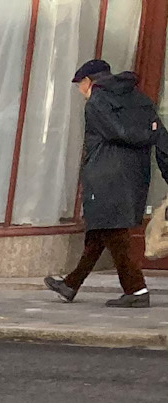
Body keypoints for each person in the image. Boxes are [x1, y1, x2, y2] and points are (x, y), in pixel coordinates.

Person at [45, 58, 167, 308]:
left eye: (80, 84)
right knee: (100, 232)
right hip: (134, 175)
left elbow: (116, 132)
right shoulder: (140, 99)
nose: (80, 91)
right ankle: (70, 284)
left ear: (89, 81)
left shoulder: (97, 101)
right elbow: (160, 137)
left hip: (105, 176)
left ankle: (137, 290)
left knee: (113, 233)